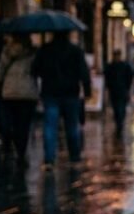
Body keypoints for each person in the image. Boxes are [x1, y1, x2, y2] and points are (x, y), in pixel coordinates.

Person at [32, 31, 91, 168]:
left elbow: (35, 70)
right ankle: (74, 157)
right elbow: (84, 72)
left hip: (50, 92)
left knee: (50, 127)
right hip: (71, 93)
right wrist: (87, 91)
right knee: (72, 126)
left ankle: (49, 159)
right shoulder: (75, 50)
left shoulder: (45, 50)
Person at [0, 34, 39, 165]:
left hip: (9, 92)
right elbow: (38, 71)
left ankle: (8, 145)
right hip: (28, 93)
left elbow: (0, 72)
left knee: (9, 122)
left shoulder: (7, 51)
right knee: (23, 125)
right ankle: (21, 153)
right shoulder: (34, 53)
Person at [104, 50, 133, 137]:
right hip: (114, 91)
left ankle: (120, 122)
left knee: (121, 108)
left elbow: (129, 77)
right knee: (116, 108)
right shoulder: (110, 66)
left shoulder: (125, 66)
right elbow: (107, 77)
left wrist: (127, 87)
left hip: (122, 90)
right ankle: (118, 122)